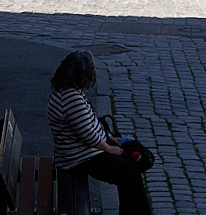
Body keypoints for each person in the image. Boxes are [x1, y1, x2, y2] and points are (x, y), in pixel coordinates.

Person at [48, 51, 150, 215]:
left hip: (85, 151)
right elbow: (87, 134)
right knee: (130, 172)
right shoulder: (70, 98)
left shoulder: (66, 90)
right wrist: (109, 148)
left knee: (133, 166)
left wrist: (109, 138)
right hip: (81, 157)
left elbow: (90, 123)